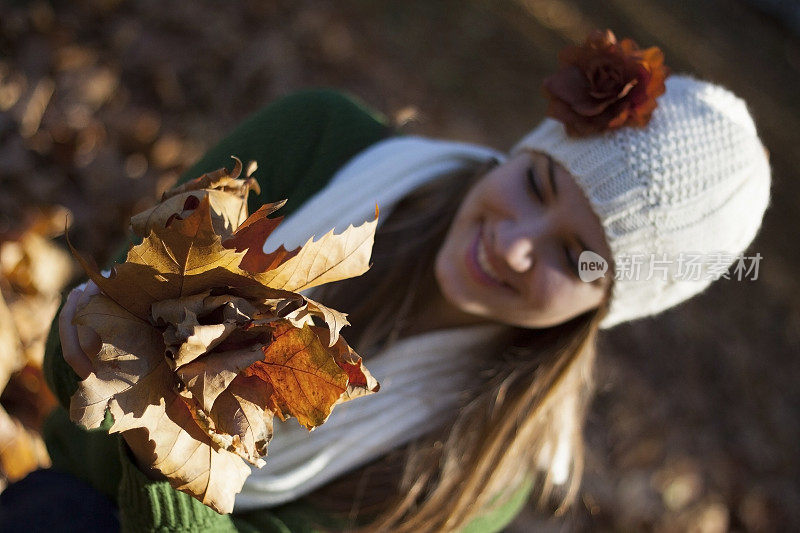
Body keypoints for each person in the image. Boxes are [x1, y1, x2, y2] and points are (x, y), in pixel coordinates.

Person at [4, 32, 771, 533]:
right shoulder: (320, 142)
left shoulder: (486, 456)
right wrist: (111, 365)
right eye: (536, 187)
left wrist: (156, 450)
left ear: (603, 308)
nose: (512, 246)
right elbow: (82, 380)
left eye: (572, 257)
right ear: (520, 152)